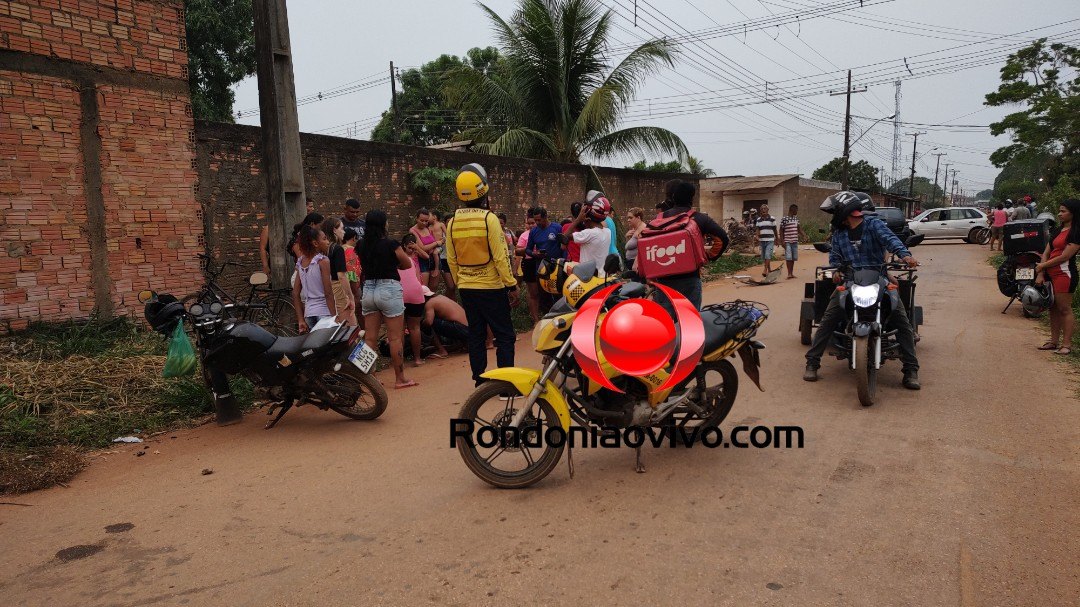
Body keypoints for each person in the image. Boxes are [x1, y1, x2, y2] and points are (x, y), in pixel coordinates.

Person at [803, 192, 921, 389]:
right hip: (850, 280)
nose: (833, 216)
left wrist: (905, 255)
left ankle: (911, 369)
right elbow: (835, 258)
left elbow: (891, 240)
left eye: (835, 212)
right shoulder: (840, 234)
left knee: (901, 320)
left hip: (879, 278)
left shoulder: (874, 225)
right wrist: (837, 270)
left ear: (844, 211)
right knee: (828, 319)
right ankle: (812, 362)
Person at [444, 163, 519, 386]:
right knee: (504, 335)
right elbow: (500, 257)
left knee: (476, 334)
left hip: (467, 288)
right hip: (492, 288)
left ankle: (480, 382)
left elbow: (451, 259)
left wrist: (461, 282)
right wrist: (511, 285)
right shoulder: (490, 219)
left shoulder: (452, 223)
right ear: (484, 190)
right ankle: (505, 384)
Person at [644, 180, 730, 313]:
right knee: (690, 319)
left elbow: (646, 241)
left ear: (673, 197)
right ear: (692, 198)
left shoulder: (658, 219)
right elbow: (722, 238)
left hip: (663, 280)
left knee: (666, 321)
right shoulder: (700, 219)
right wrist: (708, 256)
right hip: (690, 278)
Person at [359, 210, 418, 389]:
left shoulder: (360, 244)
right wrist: (394, 263)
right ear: (383, 224)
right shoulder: (390, 244)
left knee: (369, 338)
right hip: (388, 288)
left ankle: (371, 379)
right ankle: (400, 378)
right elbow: (407, 263)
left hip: (368, 289)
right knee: (394, 338)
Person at [1035, 199, 1080, 356]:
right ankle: (1053, 341)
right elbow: (1046, 252)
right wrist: (1041, 272)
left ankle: (1066, 345)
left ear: (1073, 213)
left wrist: (1042, 267)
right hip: (1049, 273)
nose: (1060, 214)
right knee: (1053, 308)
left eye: (1063, 211)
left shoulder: (1076, 232)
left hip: (1064, 274)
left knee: (1064, 309)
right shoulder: (1057, 230)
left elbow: (1064, 256)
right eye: (1059, 211)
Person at [291, 226, 336, 333]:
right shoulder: (323, 261)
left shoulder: (301, 262)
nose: (328, 242)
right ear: (315, 243)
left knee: (316, 348)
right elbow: (328, 293)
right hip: (324, 313)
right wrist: (335, 317)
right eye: (324, 239)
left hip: (309, 314)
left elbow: (295, 293)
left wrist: (301, 319)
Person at [400, 233, 434, 366]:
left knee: (400, 329)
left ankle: (399, 360)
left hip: (401, 294)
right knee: (415, 327)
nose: (413, 251)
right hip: (415, 293)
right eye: (411, 248)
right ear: (403, 247)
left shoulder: (396, 261)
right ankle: (417, 359)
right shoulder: (411, 261)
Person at [524, 207, 564, 314]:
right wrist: (534, 254)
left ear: (545, 217)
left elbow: (563, 246)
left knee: (559, 296)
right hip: (541, 269)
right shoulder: (533, 232)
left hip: (556, 269)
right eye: (535, 220)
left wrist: (563, 262)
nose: (537, 222)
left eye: (539, 220)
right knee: (544, 298)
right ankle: (547, 320)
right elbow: (528, 249)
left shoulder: (557, 228)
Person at [260, 199, 314, 275]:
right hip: (277, 262)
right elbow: (263, 249)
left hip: (294, 260)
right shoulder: (268, 228)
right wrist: (265, 266)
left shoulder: (296, 225)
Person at [320, 217, 357, 326]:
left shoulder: (323, 249)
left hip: (325, 289)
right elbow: (342, 275)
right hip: (338, 289)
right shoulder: (337, 249)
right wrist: (351, 297)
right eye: (342, 228)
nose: (344, 231)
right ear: (334, 230)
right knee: (351, 328)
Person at [566, 194, 613, 274]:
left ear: (587, 217)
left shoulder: (589, 233)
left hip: (587, 277)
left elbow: (565, 237)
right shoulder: (607, 231)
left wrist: (578, 220)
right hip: (602, 276)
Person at [422, 286, 470, 358]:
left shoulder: (430, 303)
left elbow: (429, 322)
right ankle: (464, 344)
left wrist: (421, 324)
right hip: (468, 329)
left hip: (463, 330)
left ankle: (441, 350)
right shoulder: (440, 297)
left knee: (428, 324)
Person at [515, 210, 540, 322]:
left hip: (542, 263)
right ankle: (535, 319)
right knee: (532, 291)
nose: (530, 225)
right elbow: (517, 251)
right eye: (528, 223)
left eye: (533, 223)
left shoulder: (541, 232)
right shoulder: (524, 236)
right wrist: (529, 250)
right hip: (529, 263)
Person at [409, 209, 441, 289]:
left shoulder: (428, 228)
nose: (424, 223)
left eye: (426, 221)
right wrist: (437, 243)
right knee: (424, 289)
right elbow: (422, 247)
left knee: (433, 288)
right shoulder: (413, 231)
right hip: (422, 260)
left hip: (434, 258)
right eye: (421, 220)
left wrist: (437, 245)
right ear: (416, 219)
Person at [430, 211, 455, 301]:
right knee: (451, 286)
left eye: (452, 220)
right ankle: (443, 302)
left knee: (453, 288)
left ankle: (453, 305)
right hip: (444, 259)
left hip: (454, 261)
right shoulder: (441, 232)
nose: (450, 222)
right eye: (448, 221)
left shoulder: (457, 233)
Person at [778, 204, 802, 279]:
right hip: (787, 241)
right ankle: (789, 273)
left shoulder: (796, 219)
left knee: (793, 258)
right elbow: (781, 230)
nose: (797, 211)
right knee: (788, 257)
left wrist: (804, 235)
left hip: (795, 241)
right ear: (792, 210)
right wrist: (782, 241)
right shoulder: (784, 219)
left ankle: (791, 273)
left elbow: (799, 229)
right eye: (796, 210)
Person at [755, 204, 778, 276]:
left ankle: (765, 269)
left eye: (765, 209)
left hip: (770, 240)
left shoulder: (772, 218)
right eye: (762, 209)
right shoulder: (758, 219)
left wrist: (777, 239)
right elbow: (758, 229)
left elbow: (775, 229)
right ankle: (769, 269)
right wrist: (757, 236)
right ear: (760, 211)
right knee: (764, 256)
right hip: (762, 240)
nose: (763, 210)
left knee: (768, 255)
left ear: (768, 210)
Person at [343, 227, 361, 302]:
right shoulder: (350, 250)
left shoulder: (339, 248)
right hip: (350, 287)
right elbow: (352, 271)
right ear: (354, 238)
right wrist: (355, 291)